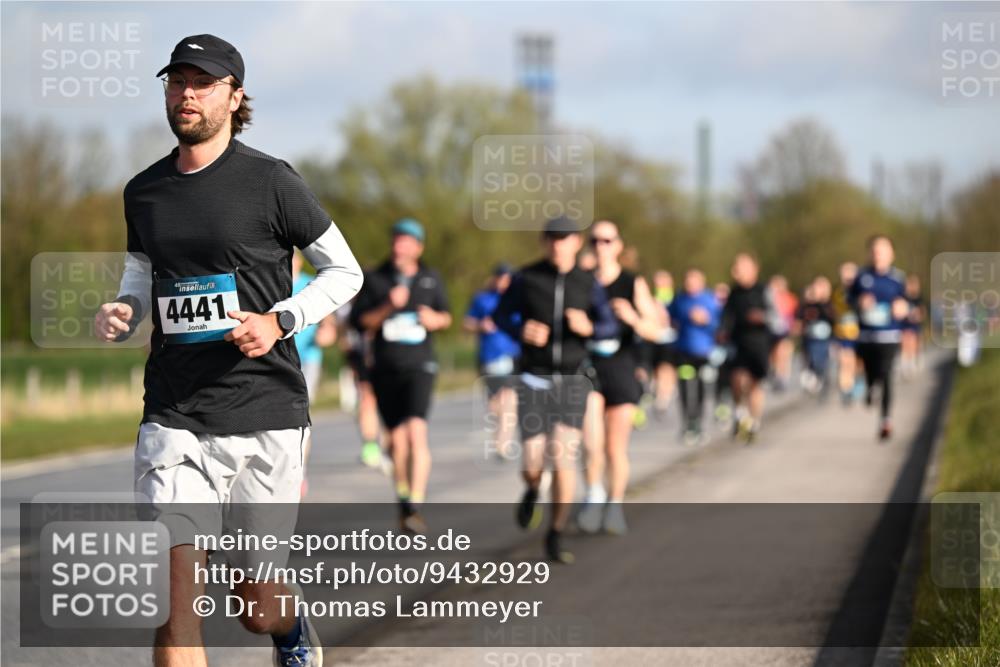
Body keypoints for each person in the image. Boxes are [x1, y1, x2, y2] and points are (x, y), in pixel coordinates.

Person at [94, 34, 363, 667]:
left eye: (203, 82)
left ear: (235, 97)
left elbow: (344, 271)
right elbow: (142, 267)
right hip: (174, 413)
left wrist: (280, 320)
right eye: (177, 81)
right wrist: (126, 307)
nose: (186, 93)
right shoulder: (143, 191)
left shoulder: (271, 181)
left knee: (256, 607)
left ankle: (289, 626)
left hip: (264, 409)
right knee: (177, 606)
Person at [493, 217, 617, 563]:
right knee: (533, 461)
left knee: (563, 457)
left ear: (576, 243)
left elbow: (609, 325)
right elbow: (500, 316)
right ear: (544, 242)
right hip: (534, 378)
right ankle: (533, 488)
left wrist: (589, 327)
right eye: (552, 238)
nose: (558, 245)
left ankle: (556, 532)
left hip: (573, 379)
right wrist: (521, 330)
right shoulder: (526, 277)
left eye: (565, 238)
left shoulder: (588, 282)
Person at [350, 219, 452, 532]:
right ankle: (404, 497)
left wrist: (435, 319)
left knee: (416, 432)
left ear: (418, 247)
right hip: (385, 367)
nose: (400, 246)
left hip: (420, 366)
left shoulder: (430, 278)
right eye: (396, 240)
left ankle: (415, 504)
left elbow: (447, 317)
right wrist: (386, 307)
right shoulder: (375, 278)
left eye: (407, 241)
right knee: (395, 441)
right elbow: (359, 322)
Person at [577, 221, 663, 535]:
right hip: (588, 366)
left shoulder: (631, 282)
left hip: (622, 366)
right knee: (591, 442)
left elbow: (656, 330)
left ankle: (614, 505)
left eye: (607, 240)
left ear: (618, 245)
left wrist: (633, 318)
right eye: (595, 240)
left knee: (615, 448)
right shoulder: (581, 280)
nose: (600, 246)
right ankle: (593, 495)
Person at [849, 234, 909, 441]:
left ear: (891, 254)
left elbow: (908, 303)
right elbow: (849, 299)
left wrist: (902, 308)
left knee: (887, 374)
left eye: (883, 251)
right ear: (870, 254)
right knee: (871, 373)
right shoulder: (861, 277)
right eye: (875, 251)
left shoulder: (898, 279)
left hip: (890, 335)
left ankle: (886, 420)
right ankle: (870, 388)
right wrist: (859, 302)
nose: (878, 255)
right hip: (867, 336)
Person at [718, 253, 779, 444]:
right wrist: (721, 332)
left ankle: (754, 424)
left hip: (760, 344)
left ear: (754, 269)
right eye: (735, 268)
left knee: (755, 385)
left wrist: (762, 317)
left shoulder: (764, 290)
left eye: (741, 268)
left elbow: (778, 319)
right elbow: (726, 317)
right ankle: (739, 413)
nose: (736, 272)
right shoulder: (733, 293)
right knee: (737, 379)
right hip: (738, 343)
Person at [292, 250, 338, 497]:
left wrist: (326, 334)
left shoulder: (310, 284)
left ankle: (299, 471)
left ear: (299, 261)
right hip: (279, 360)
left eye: (293, 259)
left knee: (299, 417)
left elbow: (329, 323)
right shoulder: (269, 283)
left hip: (307, 359)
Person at [464, 263, 521, 461]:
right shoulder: (483, 299)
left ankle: (503, 444)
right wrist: (480, 325)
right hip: (489, 357)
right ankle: (501, 437)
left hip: (512, 355)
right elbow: (467, 323)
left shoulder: (517, 299)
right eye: (501, 278)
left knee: (509, 399)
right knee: (494, 404)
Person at [668, 269, 722, 444]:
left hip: (703, 352)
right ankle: (687, 422)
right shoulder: (679, 299)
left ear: (702, 282)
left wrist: (706, 321)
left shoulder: (710, 300)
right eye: (687, 281)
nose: (690, 284)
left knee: (701, 387)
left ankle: (698, 422)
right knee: (684, 386)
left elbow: (720, 324)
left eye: (693, 281)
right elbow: (669, 317)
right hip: (683, 352)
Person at [334, 297, 384, 469]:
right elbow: (343, 336)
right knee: (367, 399)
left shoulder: (375, 296)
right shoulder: (344, 305)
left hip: (382, 352)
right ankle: (371, 446)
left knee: (381, 401)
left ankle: (386, 445)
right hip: (359, 355)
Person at [794, 276, 836, 397]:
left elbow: (833, 319)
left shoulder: (828, 304)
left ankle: (822, 380)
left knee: (821, 361)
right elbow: (799, 318)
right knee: (810, 359)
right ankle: (813, 378)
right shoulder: (806, 305)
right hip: (809, 338)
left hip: (824, 339)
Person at [830, 262, 864, 406]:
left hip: (860, 333)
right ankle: (846, 390)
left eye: (850, 273)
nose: (846, 277)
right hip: (842, 333)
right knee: (845, 360)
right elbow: (832, 311)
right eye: (844, 274)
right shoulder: (837, 292)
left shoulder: (862, 291)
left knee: (858, 363)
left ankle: (858, 380)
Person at [649, 270, 677, 419]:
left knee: (666, 367)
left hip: (670, 338)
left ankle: (664, 396)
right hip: (654, 338)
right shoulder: (651, 298)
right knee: (656, 369)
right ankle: (659, 391)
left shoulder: (674, 298)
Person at [768, 274, 798, 392]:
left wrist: (794, 326)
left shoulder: (790, 298)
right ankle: (775, 372)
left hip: (785, 331)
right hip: (771, 331)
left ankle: (782, 377)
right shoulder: (768, 298)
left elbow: (795, 314)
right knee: (773, 354)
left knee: (783, 353)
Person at [900, 274, 925, 379]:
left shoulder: (919, 298)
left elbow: (922, 313)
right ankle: (906, 364)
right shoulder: (903, 297)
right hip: (904, 324)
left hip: (915, 325)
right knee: (905, 342)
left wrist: (917, 315)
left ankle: (913, 362)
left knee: (914, 343)